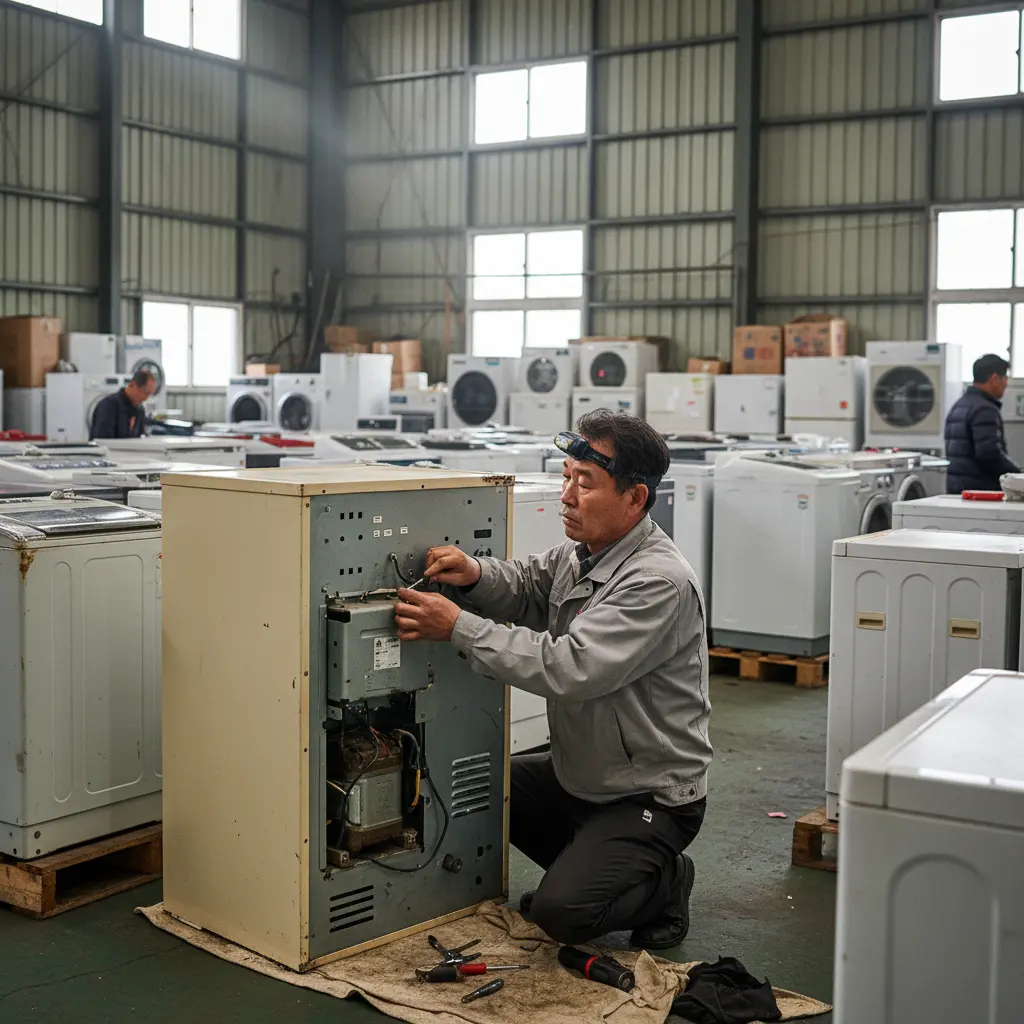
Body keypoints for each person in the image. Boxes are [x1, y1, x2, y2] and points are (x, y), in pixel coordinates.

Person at [394, 410, 712, 950]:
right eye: (565, 477)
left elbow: (570, 666)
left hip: (648, 795)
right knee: (477, 785)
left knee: (561, 914)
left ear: (635, 498)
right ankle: (594, 862)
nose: (566, 495)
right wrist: (474, 571)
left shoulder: (657, 581)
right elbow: (526, 585)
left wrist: (459, 628)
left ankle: (666, 882)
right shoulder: (583, 554)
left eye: (584, 484)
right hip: (582, 774)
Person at [945, 353, 1021, 494]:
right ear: (994, 379)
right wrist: (1017, 476)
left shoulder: (959, 405)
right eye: (1004, 378)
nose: (1006, 384)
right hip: (981, 492)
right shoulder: (984, 409)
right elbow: (989, 454)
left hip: (958, 492)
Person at [89, 370, 156, 440]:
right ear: (132, 385)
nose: (146, 398)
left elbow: (140, 437)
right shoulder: (109, 406)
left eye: (149, 394)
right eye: (145, 393)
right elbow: (103, 440)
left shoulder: (139, 410)